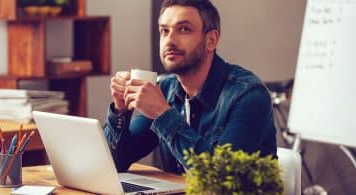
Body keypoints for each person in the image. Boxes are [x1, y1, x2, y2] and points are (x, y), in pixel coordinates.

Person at [104, 0, 277, 174]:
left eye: (184, 29)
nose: (170, 40)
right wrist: (120, 110)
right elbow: (114, 163)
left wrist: (163, 114)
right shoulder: (166, 88)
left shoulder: (249, 95)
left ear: (211, 40)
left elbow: (222, 178)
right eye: (164, 31)